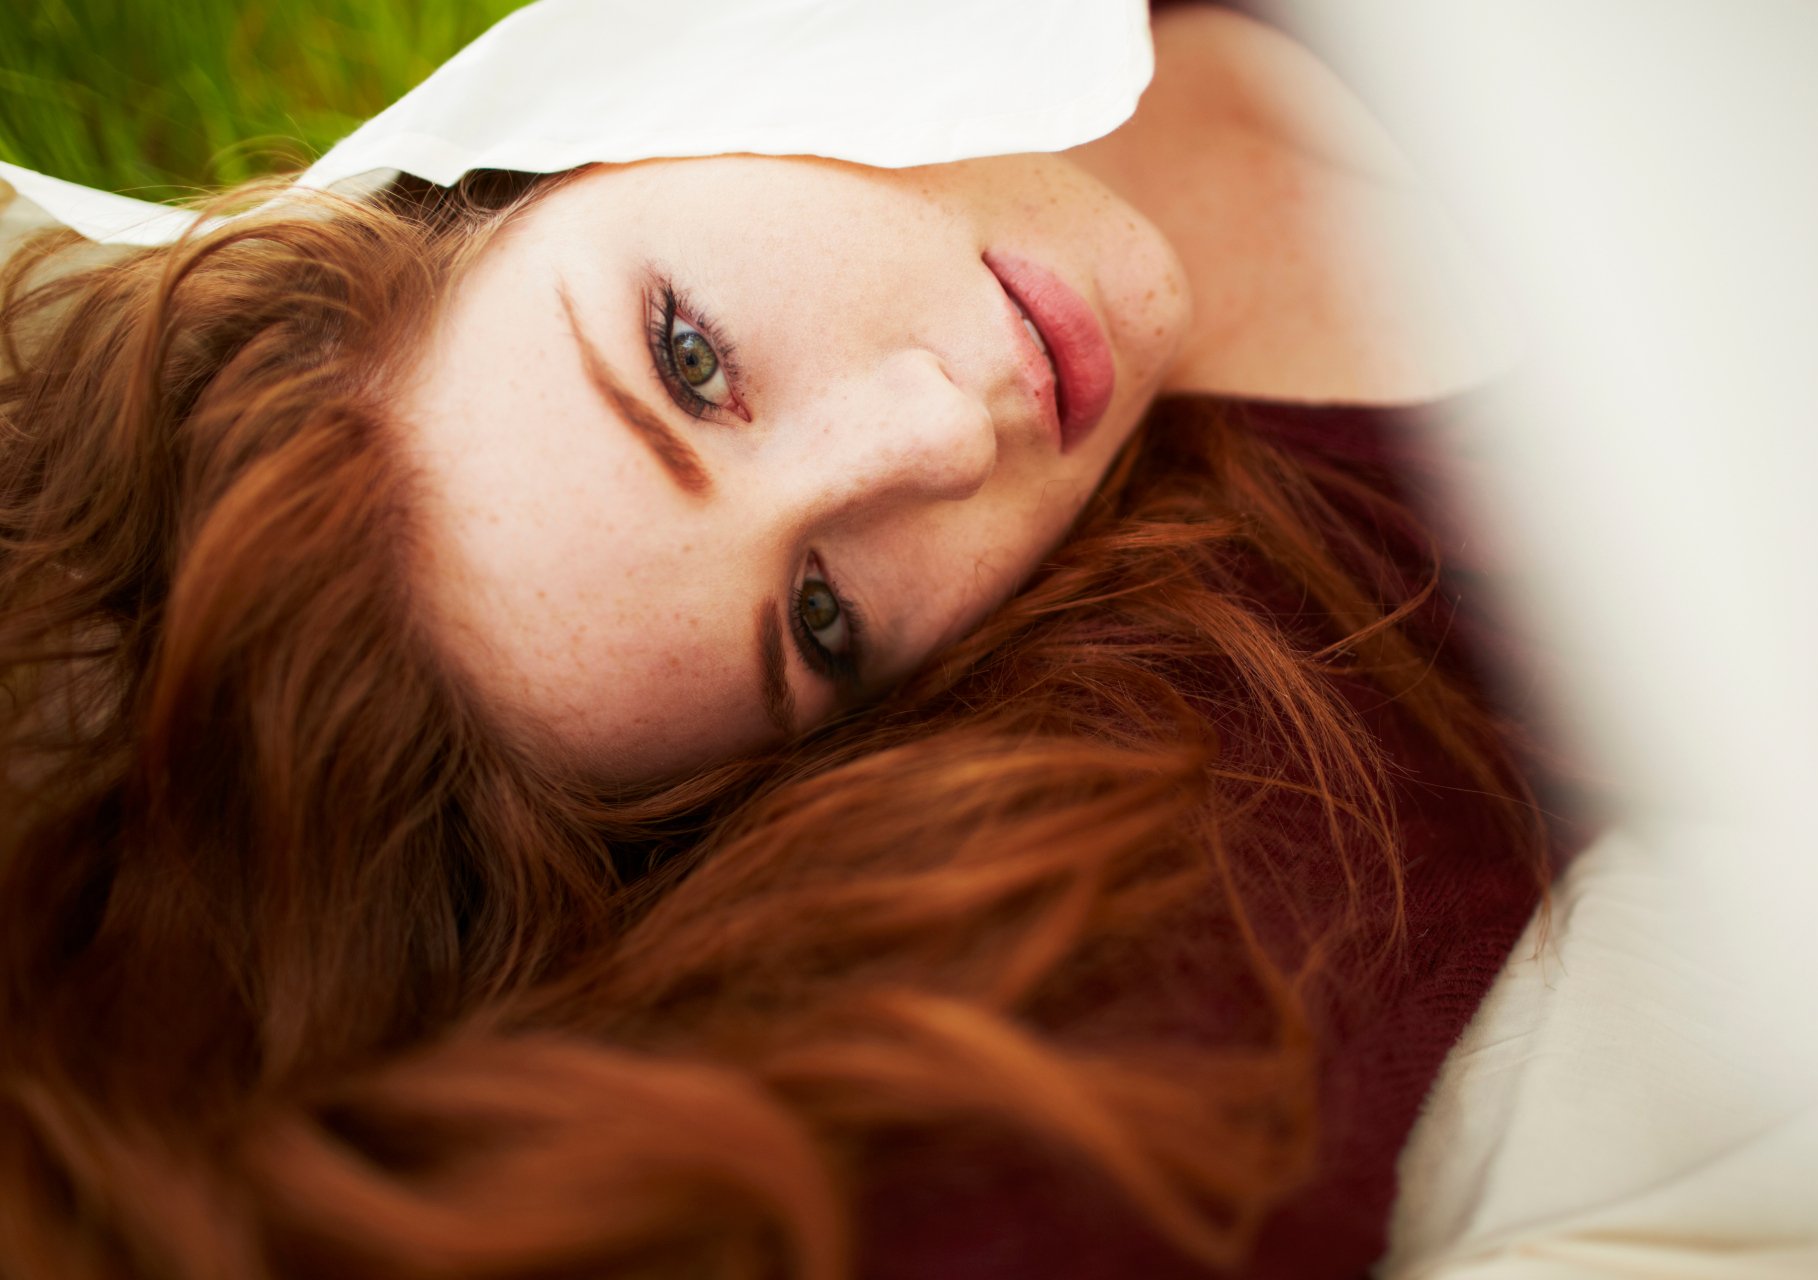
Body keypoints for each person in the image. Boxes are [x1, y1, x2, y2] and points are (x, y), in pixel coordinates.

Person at [0, 3, 1575, 1276]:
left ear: (547, 166)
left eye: (689, 360)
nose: (942, 433)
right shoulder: (1342, 641)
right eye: (823, 619)